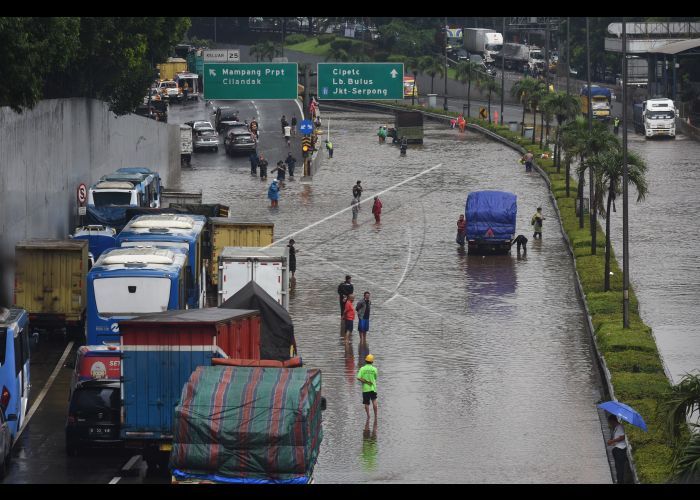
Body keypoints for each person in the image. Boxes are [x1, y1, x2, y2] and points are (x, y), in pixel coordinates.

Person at [607, 415, 628, 484]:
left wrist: (612, 441)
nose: (609, 423)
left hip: (620, 450)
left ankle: (620, 482)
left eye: (609, 422)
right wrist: (612, 442)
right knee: (618, 467)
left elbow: (622, 437)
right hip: (617, 449)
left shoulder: (619, 427)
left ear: (612, 421)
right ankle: (619, 481)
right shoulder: (616, 428)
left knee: (619, 467)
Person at [356, 354, 378, 420]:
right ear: (372, 361)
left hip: (365, 389)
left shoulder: (362, 369)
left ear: (366, 361)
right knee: (374, 401)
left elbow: (358, 377)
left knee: (366, 403)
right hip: (373, 388)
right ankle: (376, 416)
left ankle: (368, 416)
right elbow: (375, 378)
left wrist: (365, 382)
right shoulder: (374, 369)